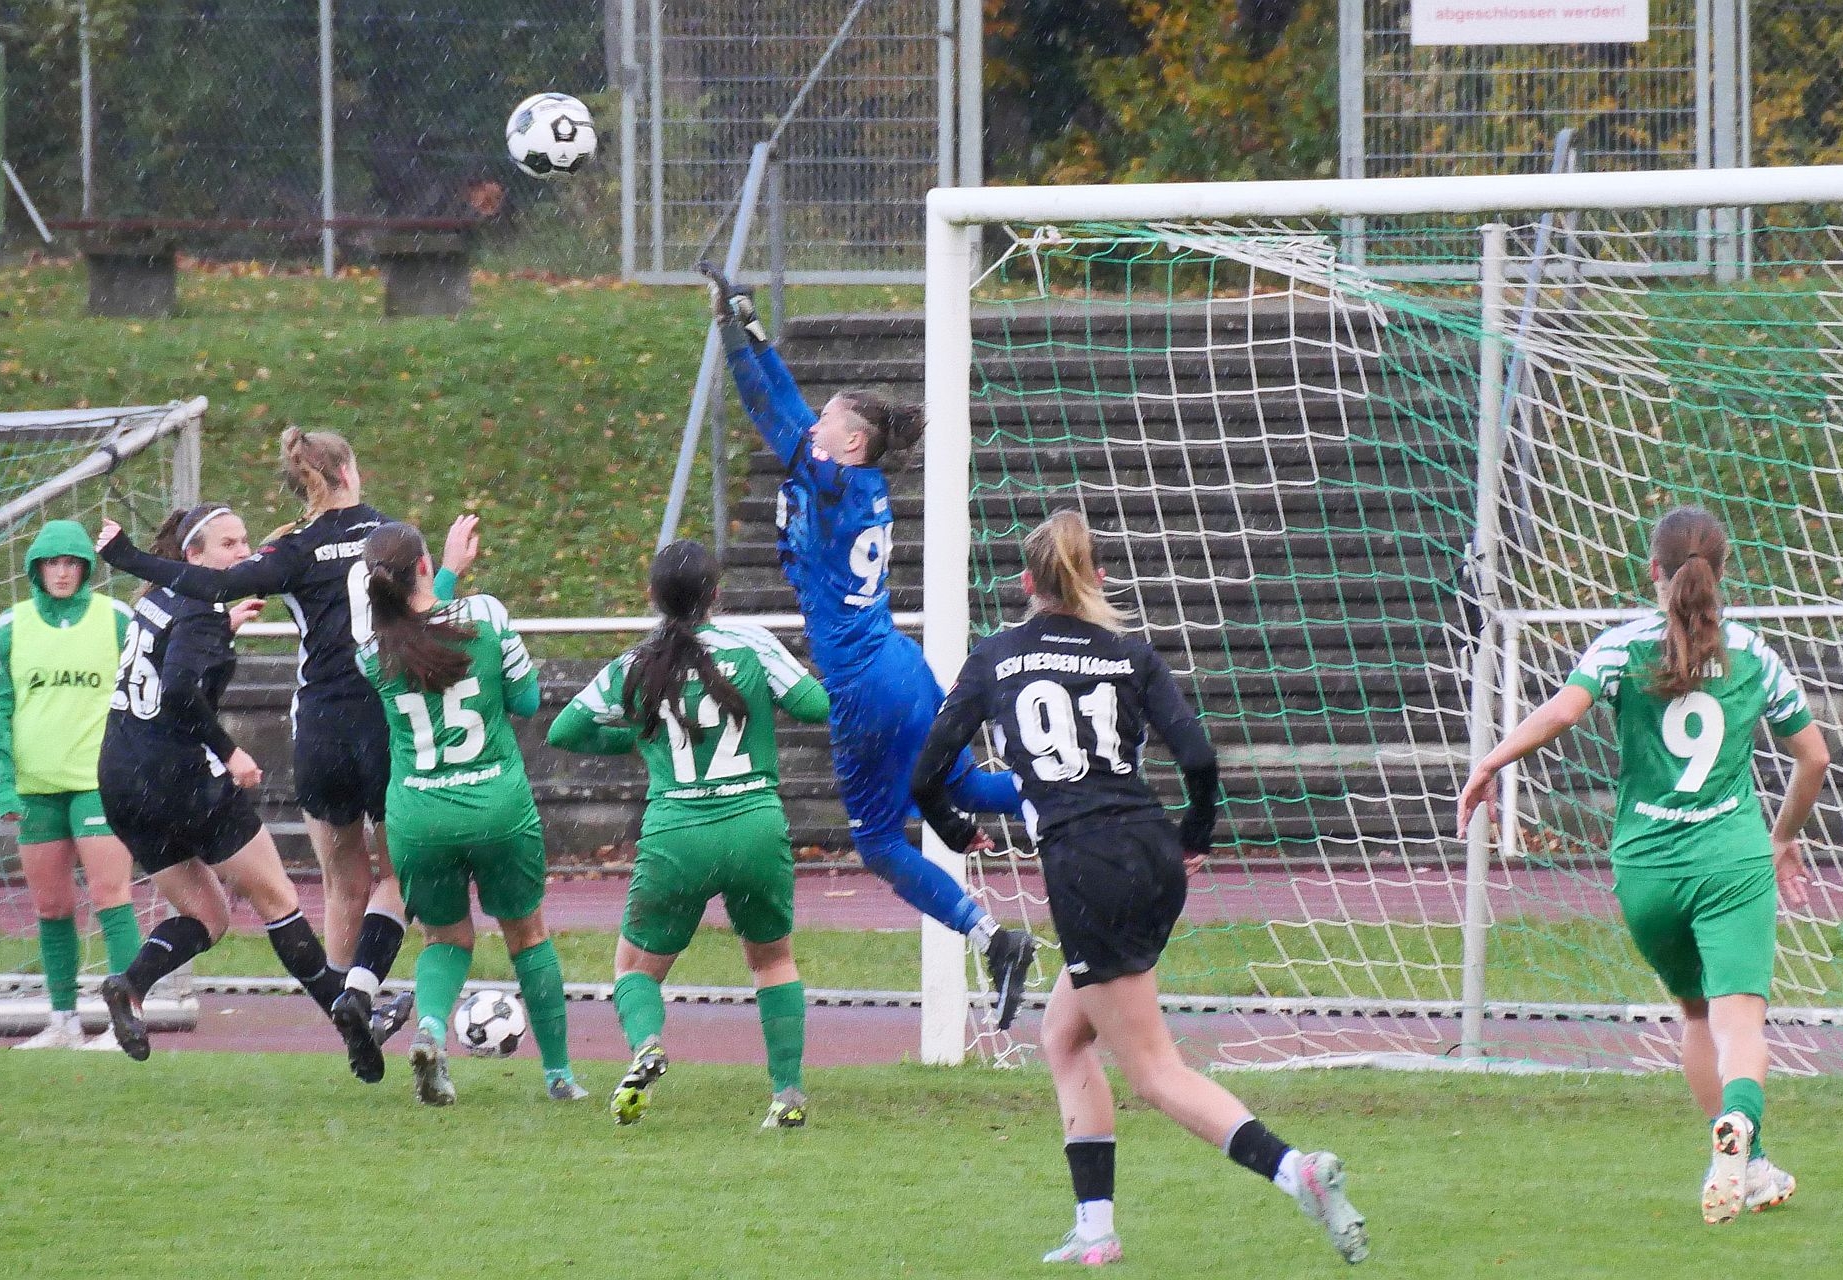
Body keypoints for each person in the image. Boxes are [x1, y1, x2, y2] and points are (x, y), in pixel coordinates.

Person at [912, 511, 1369, 1268]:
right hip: (1152, 852)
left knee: (1154, 1071)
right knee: (1064, 1037)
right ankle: (1095, 1231)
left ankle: (1298, 1173)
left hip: (1087, 866)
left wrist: (957, 833)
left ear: (1025, 584)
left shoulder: (993, 657)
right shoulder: (1130, 653)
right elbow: (1199, 758)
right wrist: (1197, 834)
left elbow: (927, 774)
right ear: (1096, 577)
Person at [1459, 505, 1828, 1225]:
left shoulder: (1619, 647)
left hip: (1647, 870)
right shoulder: (1754, 653)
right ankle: (1742, 1127)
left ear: (1653, 571)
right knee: (1740, 1023)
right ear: (1722, 572)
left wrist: (1491, 762)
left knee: (1695, 1013)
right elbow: (1813, 757)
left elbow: (1561, 713)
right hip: (1730, 862)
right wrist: (1784, 836)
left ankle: (1745, 1163)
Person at [703, 264, 1037, 1030]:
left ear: (850, 443)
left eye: (827, 421)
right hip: (904, 667)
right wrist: (753, 332)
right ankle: (1076, 790)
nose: (813, 426)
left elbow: (768, 406)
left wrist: (730, 333)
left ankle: (993, 939)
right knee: (963, 785)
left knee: (880, 842)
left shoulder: (831, 481)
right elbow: (790, 406)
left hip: (863, 682)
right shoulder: (855, 482)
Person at [95, 428, 468, 1038]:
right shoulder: (391, 537)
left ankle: (346, 1020)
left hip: (316, 727)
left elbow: (215, 588)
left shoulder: (292, 547)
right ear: (348, 470)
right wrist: (449, 570)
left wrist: (130, 558)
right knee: (399, 874)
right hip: (381, 720)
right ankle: (361, 996)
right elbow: (428, 612)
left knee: (341, 882)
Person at [94, 503, 385, 1082]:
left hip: (121, 782)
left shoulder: (155, 600)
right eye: (229, 544)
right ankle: (351, 1021)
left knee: (206, 915)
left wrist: (218, 633)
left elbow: (169, 661)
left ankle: (130, 985)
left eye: (246, 541)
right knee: (279, 902)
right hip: (180, 780)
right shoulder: (201, 606)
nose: (244, 552)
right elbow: (179, 690)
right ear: (193, 556)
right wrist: (230, 752)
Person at [547, 540, 830, 1128]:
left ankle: (648, 1045)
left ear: (653, 596)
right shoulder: (751, 643)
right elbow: (813, 706)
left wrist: (636, 738)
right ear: (716, 594)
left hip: (677, 832)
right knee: (772, 962)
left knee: (634, 970)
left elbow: (565, 730)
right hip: (754, 825)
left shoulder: (634, 662)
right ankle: (788, 1093)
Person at [355, 521, 582, 1105]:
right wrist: (454, 577)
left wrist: (444, 575)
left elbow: (419, 632)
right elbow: (527, 701)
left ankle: (431, 1029)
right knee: (527, 935)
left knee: (445, 939)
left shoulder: (371, 651)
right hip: (496, 805)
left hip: (419, 816)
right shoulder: (486, 615)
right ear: (424, 567)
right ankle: (559, 1076)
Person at [0, 520, 140, 1050]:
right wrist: (2, 785)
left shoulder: (116, 619)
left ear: (87, 568)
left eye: (72, 562)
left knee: (111, 896)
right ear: (37, 569)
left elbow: (148, 690)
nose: (63, 572)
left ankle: (125, 1020)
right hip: (35, 789)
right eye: (53, 563)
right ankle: (63, 1020)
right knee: (50, 907)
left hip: (100, 784)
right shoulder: (11, 626)